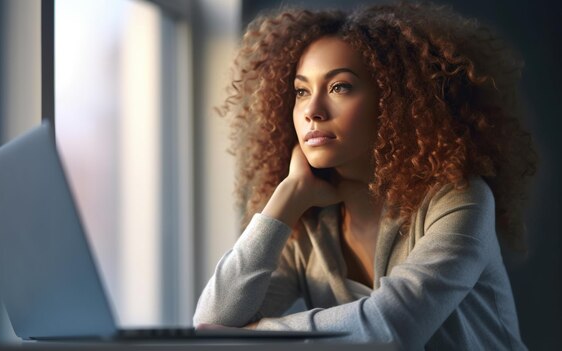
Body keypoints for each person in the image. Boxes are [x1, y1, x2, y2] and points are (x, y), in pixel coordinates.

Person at [193, 2, 537, 349]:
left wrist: (257, 336)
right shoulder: (308, 220)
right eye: (301, 91)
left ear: (391, 99)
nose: (313, 111)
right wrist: (286, 197)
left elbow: (392, 328)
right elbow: (212, 320)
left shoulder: (459, 199)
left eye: (339, 87)